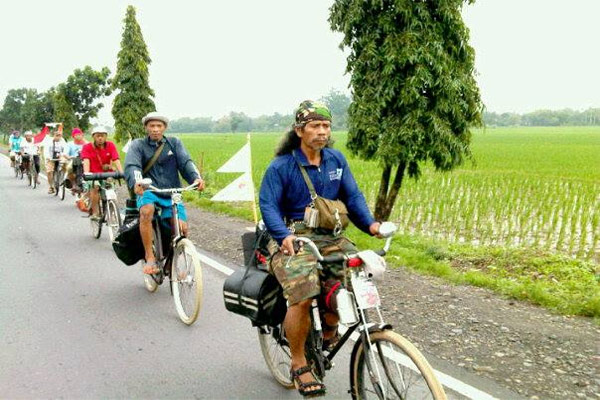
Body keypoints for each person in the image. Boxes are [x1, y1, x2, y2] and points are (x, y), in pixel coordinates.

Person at [259, 100, 382, 397]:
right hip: (292, 238)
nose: (321, 131)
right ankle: (299, 362)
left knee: (354, 279)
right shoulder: (281, 167)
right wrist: (282, 236)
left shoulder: (336, 161)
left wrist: (372, 226)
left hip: (332, 237)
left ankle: (329, 328)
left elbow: (353, 198)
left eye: (326, 126)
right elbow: (269, 205)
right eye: (314, 126)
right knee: (303, 293)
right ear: (299, 130)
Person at [124, 112, 204, 275]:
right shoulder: (137, 145)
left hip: (172, 192)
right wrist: (137, 182)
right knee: (147, 211)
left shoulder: (174, 143)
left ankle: (172, 263)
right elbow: (133, 166)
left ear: (164, 128)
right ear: (146, 127)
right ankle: (149, 255)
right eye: (152, 126)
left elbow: (186, 162)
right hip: (149, 190)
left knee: (182, 229)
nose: (155, 129)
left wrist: (196, 178)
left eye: (159, 126)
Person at [80, 126, 123, 220]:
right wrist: (87, 173)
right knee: (95, 188)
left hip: (107, 174)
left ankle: (112, 211)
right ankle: (95, 212)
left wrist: (121, 172)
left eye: (102, 136)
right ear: (93, 137)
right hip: (93, 175)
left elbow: (116, 159)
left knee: (111, 190)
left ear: (106, 136)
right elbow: (86, 160)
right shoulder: (87, 147)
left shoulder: (110, 145)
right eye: (98, 136)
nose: (100, 138)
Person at [40, 129, 67, 194]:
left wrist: (63, 155)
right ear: (53, 135)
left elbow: (66, 149)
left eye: (60, 135)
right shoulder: (49, 141)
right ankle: (51, 187)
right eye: (57, 135)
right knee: (49, 171)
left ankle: (64, 179)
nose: (58, 137)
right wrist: (48, 157)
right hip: (51, 158)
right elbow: (46, 151)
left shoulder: (63, 141)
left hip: (60, 157)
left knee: (66, 165)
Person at [62, 127, 88, 192]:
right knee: (69, 168)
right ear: (73, 136)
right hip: (73, 160)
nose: (79, 136)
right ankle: (73, 184)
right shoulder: (69, 144)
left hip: (84, 160)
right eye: (77, 135)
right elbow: (65, 153)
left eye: (80, 134)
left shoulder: (87, 143)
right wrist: (69, 157)